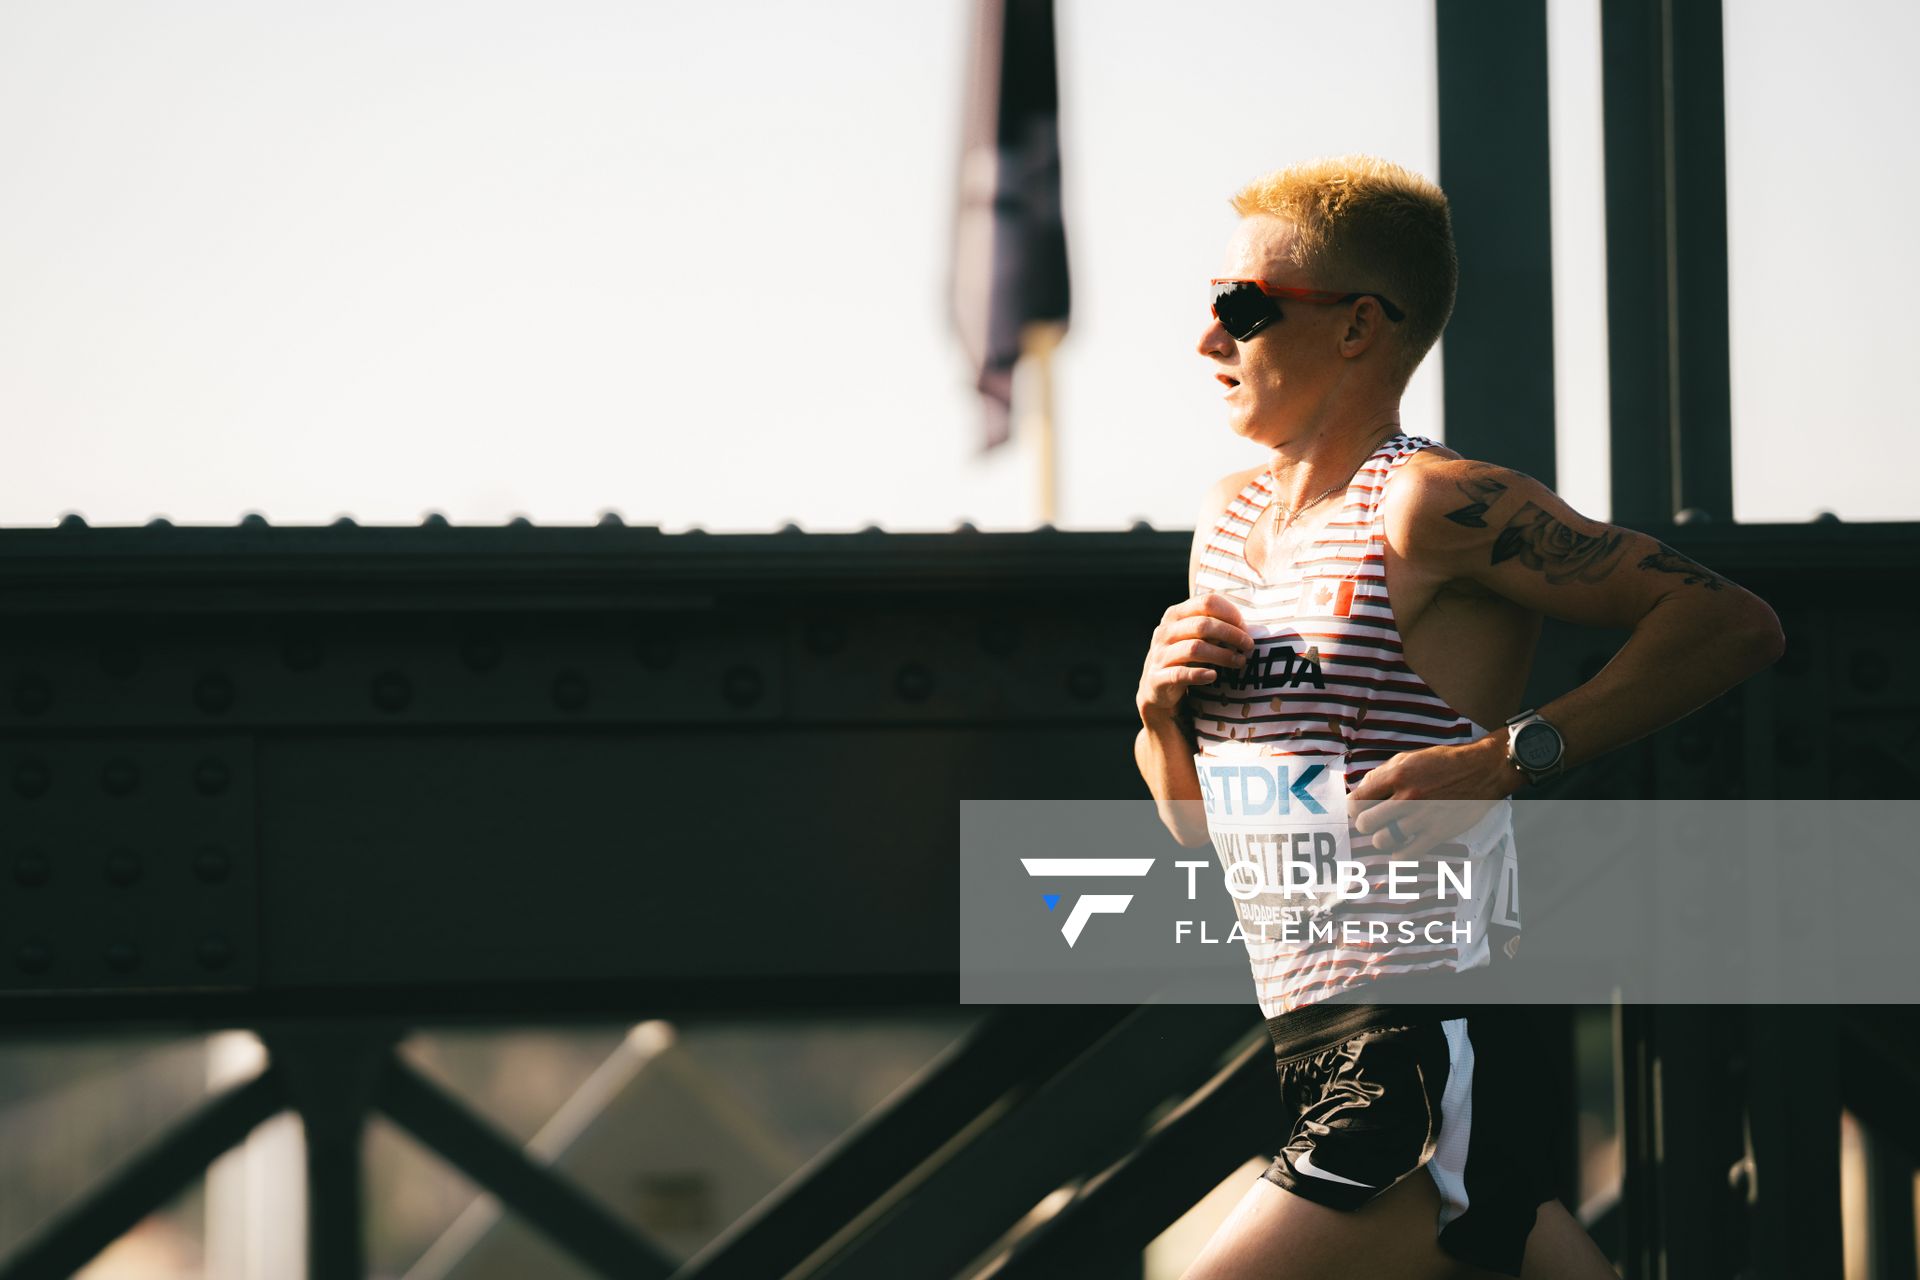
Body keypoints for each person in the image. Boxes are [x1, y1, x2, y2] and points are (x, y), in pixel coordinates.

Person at [1131, 155, 1784, 1279]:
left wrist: (1508, 756)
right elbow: (1199, 831)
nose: (1208, 343)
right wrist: (1158, 717)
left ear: (1358, 327)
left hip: (1426, 1032)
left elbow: (1729, 621)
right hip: (1307, 1034)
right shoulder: (1226, 524)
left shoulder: (1432, 504)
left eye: (1242, 309)